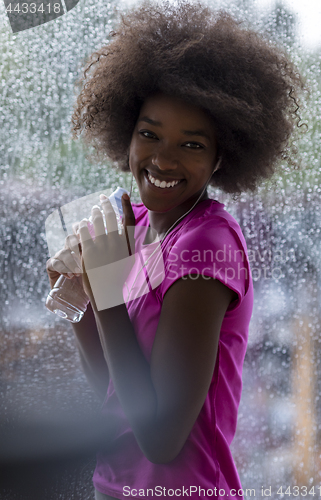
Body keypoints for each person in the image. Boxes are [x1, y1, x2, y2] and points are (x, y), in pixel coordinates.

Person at [46, 1, 306, 498]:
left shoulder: (207, 246)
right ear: (127, 135)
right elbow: (114, 391)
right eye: (149, 134)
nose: (163, 158)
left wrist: (106, 289)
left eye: (191, 144)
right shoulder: (136, 223)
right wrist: (78, 296)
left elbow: (161, 439)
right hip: (114, 487)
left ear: (221, 155)